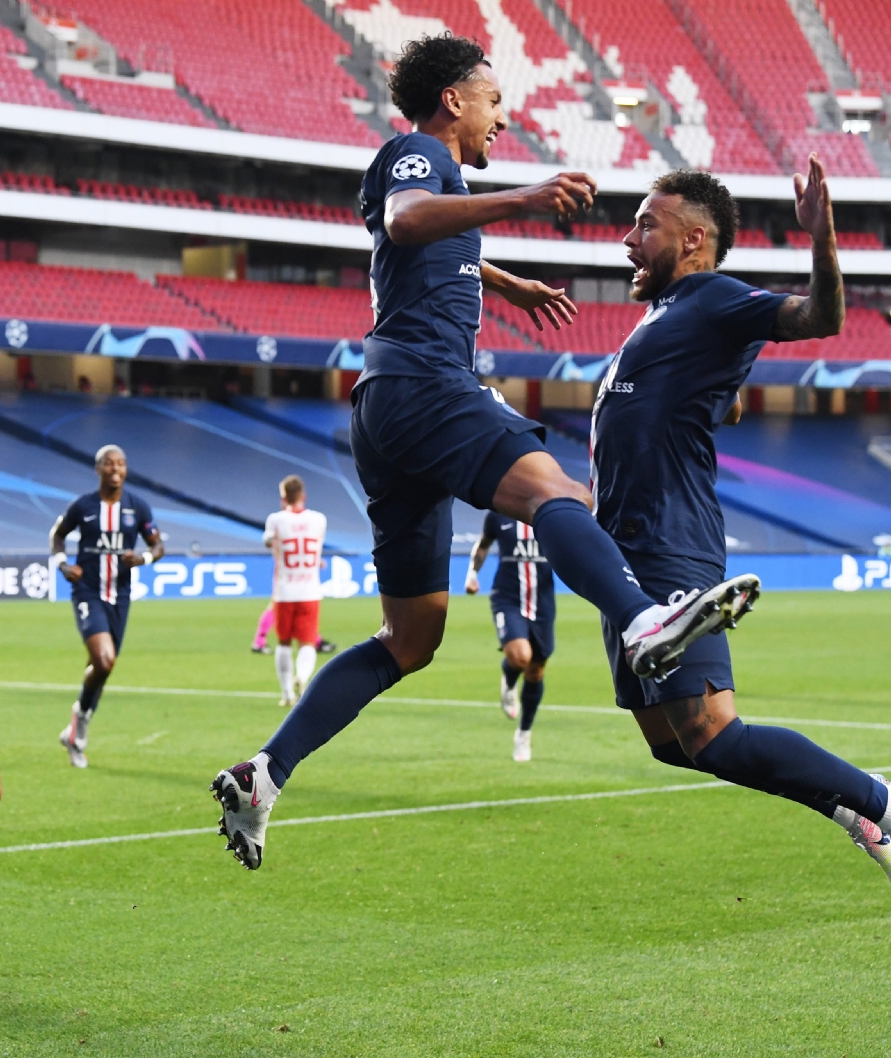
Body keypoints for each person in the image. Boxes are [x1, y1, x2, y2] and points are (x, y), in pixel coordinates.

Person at [210, 34, 758, 870]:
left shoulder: (440, 181)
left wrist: (507, 283)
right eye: (495, 100)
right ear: (455, 101)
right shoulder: (419, 154)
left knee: (409, 638)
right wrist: (528, 196)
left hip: (387, 411)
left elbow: (420, 246)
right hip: (427, 383)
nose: (504, 117)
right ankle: (645, 621)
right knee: (559, 497)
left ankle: (267, 772)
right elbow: (405, 221)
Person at [591, 162, 891, 897]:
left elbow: (818, 319)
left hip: (669, 539)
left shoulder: (710, 297)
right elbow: (710, 396)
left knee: (711, 732)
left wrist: (822, 240)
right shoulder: (666, 318)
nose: (629, 241)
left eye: (645, 226)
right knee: (671, 745)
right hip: (623, 554)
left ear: (694, 240)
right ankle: (852, 808)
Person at [48, 444, 164, 768]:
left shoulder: (137, 507)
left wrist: (142, 557)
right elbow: (57, 535)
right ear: (98, 469)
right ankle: (80, 724)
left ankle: (74, 732)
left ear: (126, 470)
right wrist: (62, 564)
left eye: (121, 464)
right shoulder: (83, 506)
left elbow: (158, 545)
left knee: (100, 670)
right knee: (104, 660)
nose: (115, 469)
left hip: (121, 596)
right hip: (88, 591)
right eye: (108, 464)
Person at [466, 511, 553, 762]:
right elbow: (483, 545)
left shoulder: (551, 513)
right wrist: (472, 574)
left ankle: (523, 734)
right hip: (507, 599)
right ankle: (509, 678)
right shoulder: (498, 514)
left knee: (536, 671)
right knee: (520, 657)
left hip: (543, 603)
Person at [261, 475, 328, 707]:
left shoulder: (276, 520)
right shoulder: (319, 519)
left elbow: (269, 541)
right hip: (310, 590)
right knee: (308, 643)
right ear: (303, 495)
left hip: (284, 591)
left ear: (283, 497)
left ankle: (287, 693)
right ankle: (303, 677)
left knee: (283, 643)